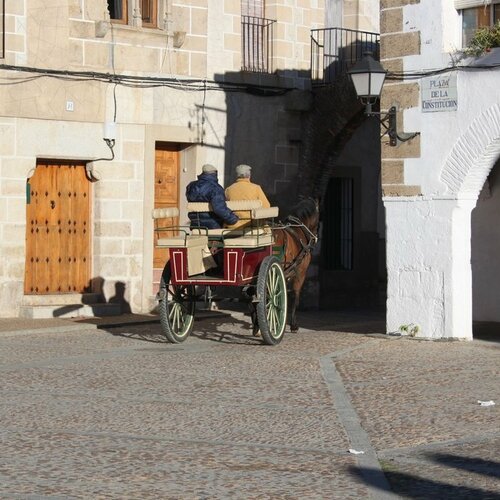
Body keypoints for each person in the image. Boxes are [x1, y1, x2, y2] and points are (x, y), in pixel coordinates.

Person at [186, 163, 238, 229]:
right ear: (215, 173)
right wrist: (233, 219)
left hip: (195, 225)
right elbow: (219, 208)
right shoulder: (216, 188)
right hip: (213, 226)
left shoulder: (191, 186)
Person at [225, 164, 271, 229]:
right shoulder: (256, 188)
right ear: (249, 175)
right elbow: (266, 206)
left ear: (237, 176)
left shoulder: (228, 189)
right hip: (251, 225)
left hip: (233, 226)